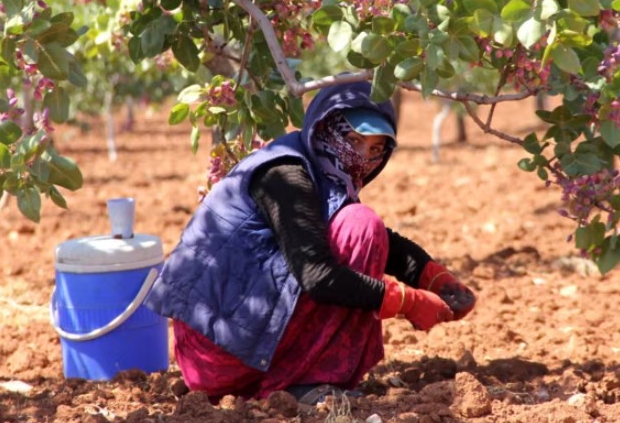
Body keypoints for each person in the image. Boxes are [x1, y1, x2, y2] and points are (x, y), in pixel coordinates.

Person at [145, 81, 476, 403]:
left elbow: (371, 240)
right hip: (216, 357)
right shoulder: (285, 175)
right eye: (353, 140)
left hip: (227, 348)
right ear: (324, 129)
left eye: (376, 149)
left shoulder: (311, 167)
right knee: (361, 224)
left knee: (358, 224)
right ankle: (309, 382)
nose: (362, 157)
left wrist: (432, 277)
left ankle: (292, 378)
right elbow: (317, 274)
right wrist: (406, 301)